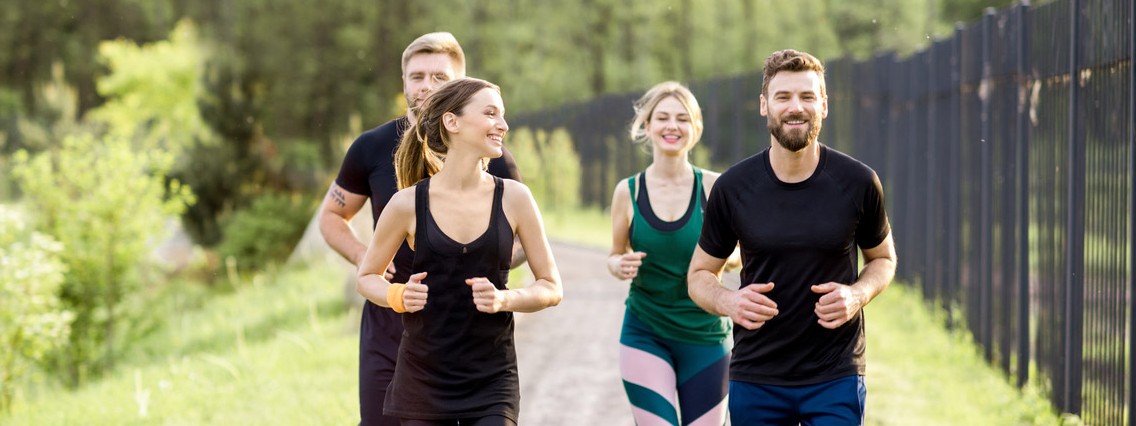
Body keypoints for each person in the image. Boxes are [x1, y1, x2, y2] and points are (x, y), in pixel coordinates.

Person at [317, 32, 523, 426]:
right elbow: (331, 216)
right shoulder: (371, 147)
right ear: (404, 83)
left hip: (463, 332)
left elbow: (520, 238)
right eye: (417, 76)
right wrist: (367, 258)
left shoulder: (495, 157)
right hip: (389, 323)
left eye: (440, 77)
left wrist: (489, 271)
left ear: (463, 86)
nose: (427, 86)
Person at [687, 49, 897, 425]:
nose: (795, 107)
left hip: (835, 375)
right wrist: (729, 301)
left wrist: (857, 294)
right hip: (757, 376)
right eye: (783, 97)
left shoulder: (859, 182)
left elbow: (883, 259)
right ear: (764, 105)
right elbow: (699, 275)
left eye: (807, 96)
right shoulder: (733, 187)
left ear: (824, 105)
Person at [356, 77, 562, 426]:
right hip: (423, 382)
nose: (503, 125)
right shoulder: (406, 204)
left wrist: (504, 299)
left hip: (492, 381)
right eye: (491, 113)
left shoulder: (515, 199)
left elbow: (551, 287)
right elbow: (367, 277)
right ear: (452, 122)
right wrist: (398, 295)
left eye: (503, 115)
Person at [607, 81, 730, 426]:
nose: (672, 126)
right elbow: (615, 254)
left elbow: (739, 255)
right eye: (662, 117)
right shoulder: (627, 191)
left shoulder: (715, 188)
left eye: (682, 119)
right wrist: (619, 265)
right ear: (647, 126)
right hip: (646, 331)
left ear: (696, 129)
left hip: (706, 335)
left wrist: (722, 259)